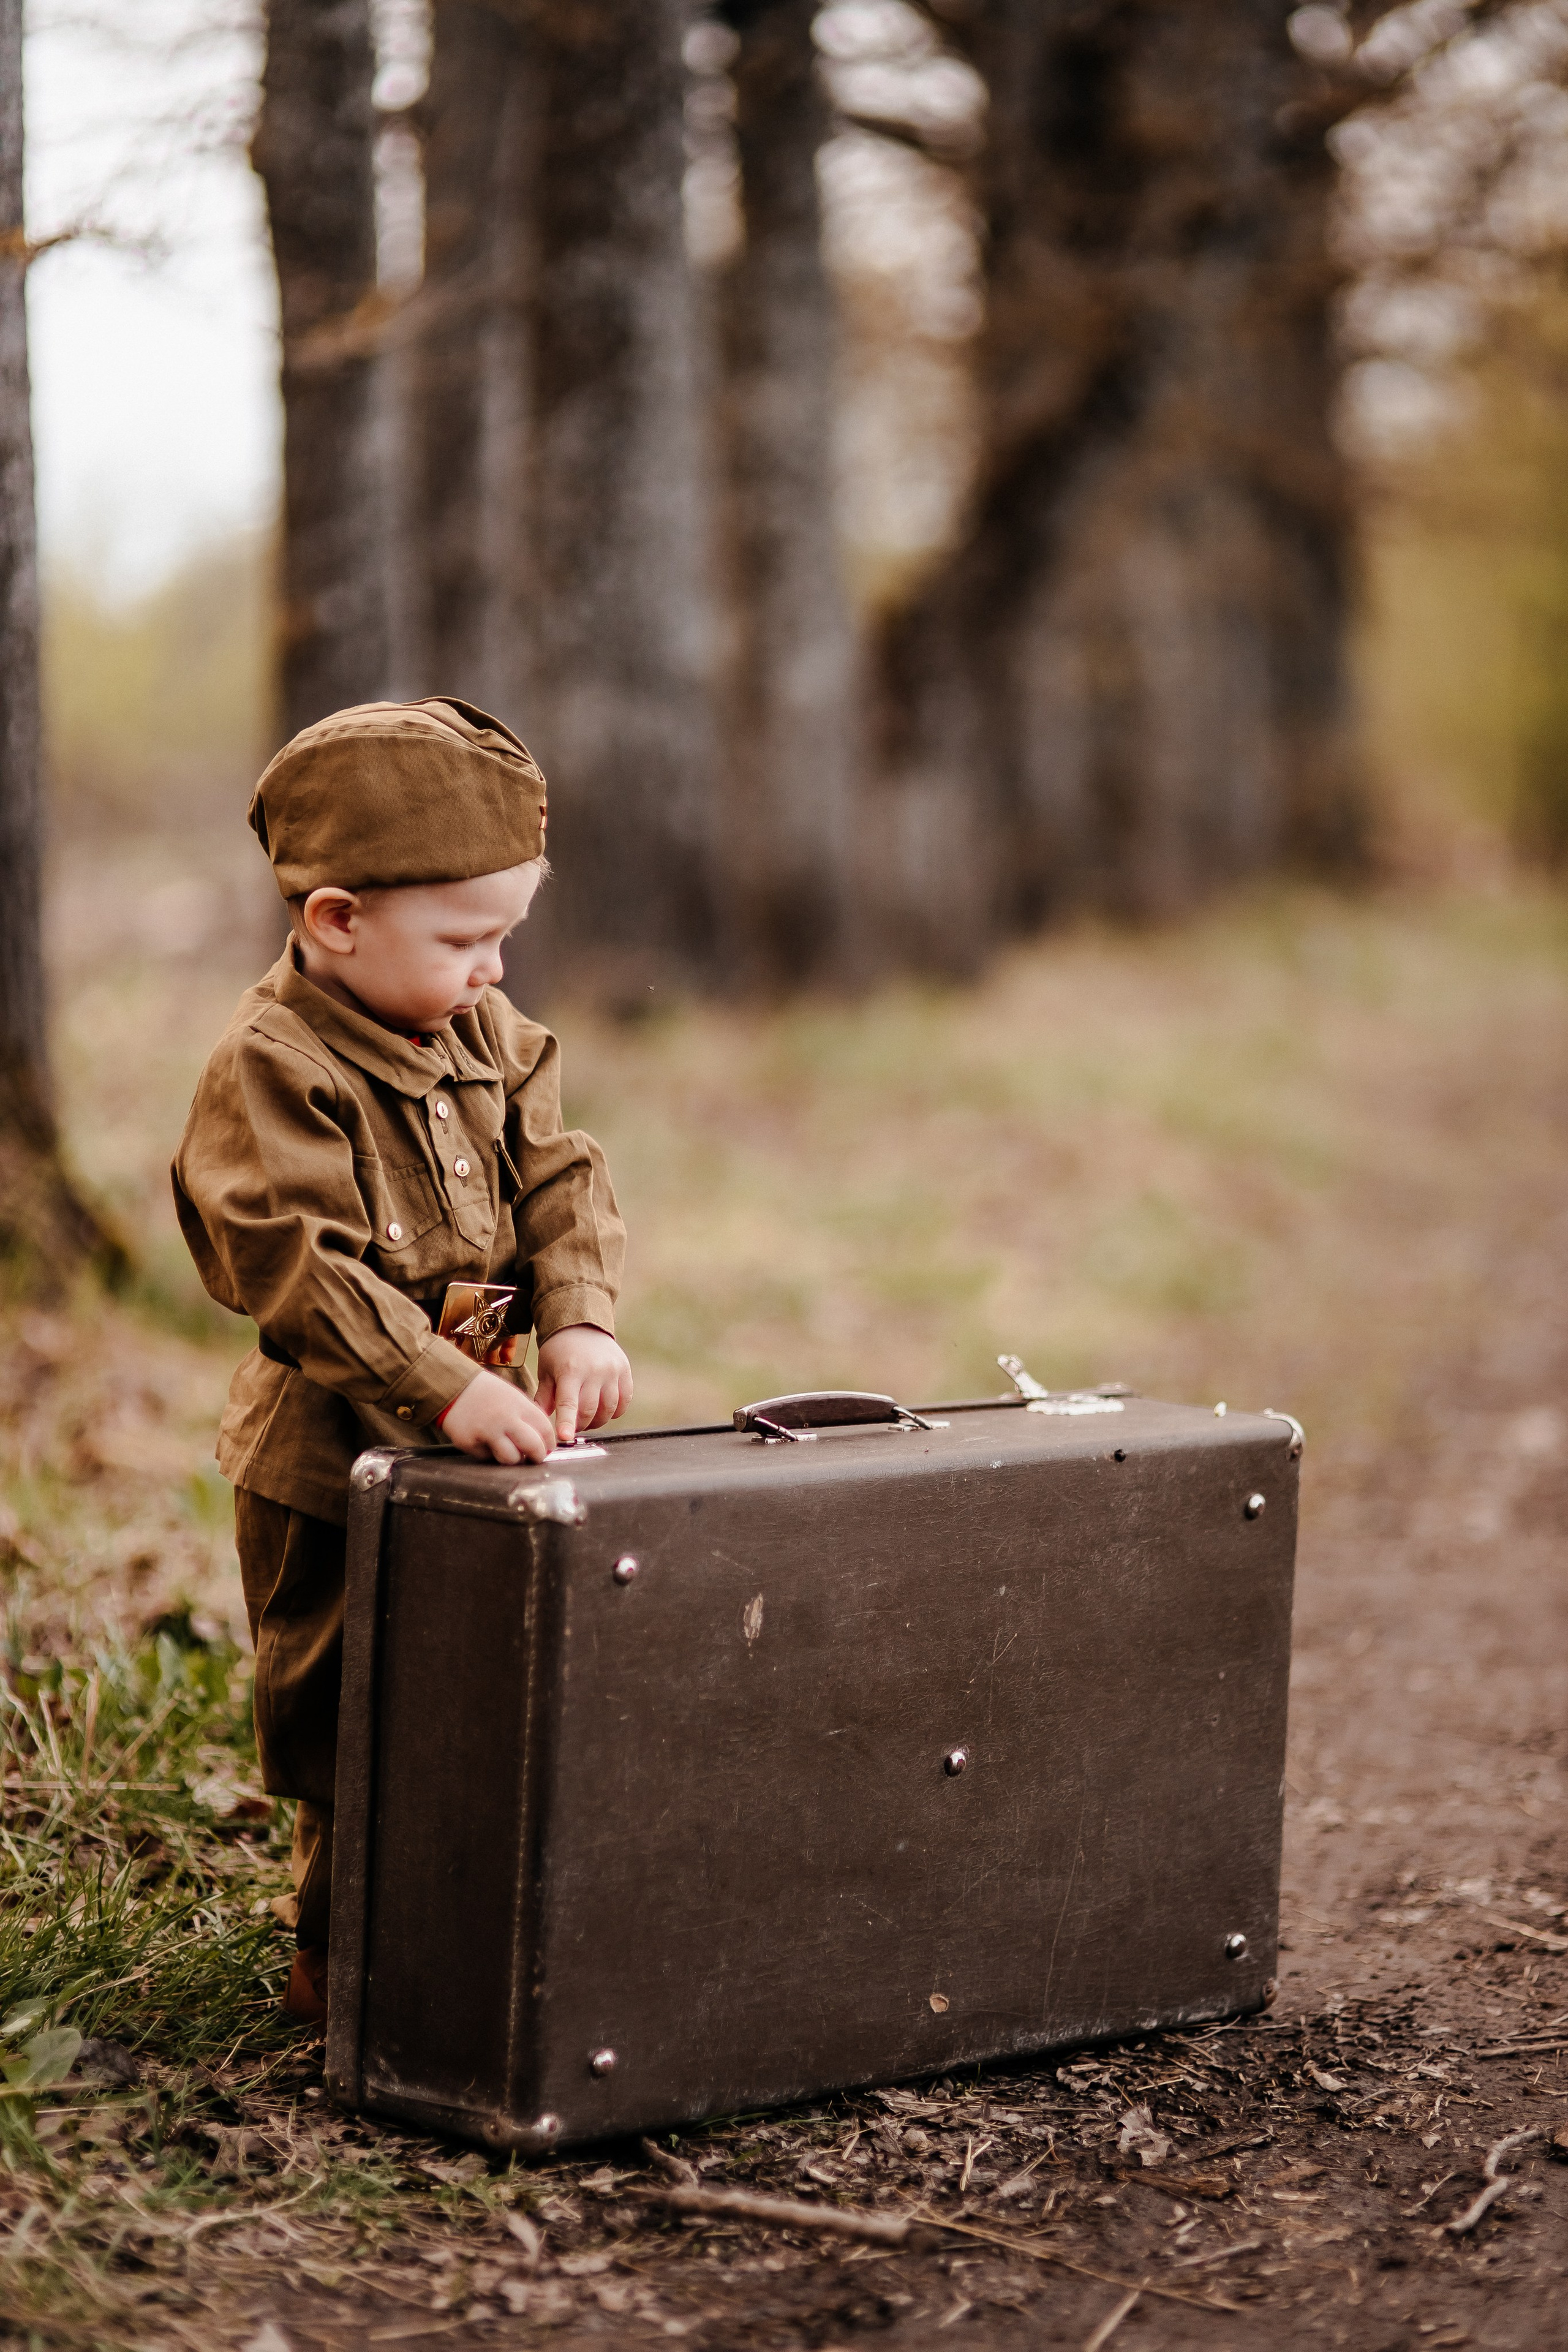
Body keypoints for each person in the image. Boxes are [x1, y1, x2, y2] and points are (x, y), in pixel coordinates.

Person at [172, 698, 630, 2026]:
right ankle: (344, 1956)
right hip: (330, 1458)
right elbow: (296, 1265)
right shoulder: (272, 1068)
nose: (491, 969)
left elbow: (559, 1167)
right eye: (466, 939)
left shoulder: (484, 1030)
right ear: (335, 920)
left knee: (482, 1680)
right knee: (347, 1704)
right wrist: (440, 1383)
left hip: (475, 1430)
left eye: (505, 936)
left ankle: (467, 1917)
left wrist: (581, 1313)